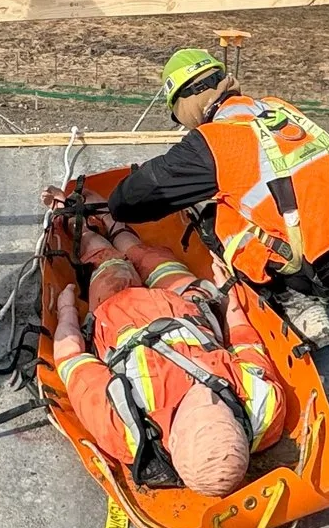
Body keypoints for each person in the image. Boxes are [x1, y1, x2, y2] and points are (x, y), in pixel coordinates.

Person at [104, 49, 329, 350]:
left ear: (186, 104)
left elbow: (129, 202)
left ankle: (291, 298)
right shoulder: (277, 108)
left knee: (213, 217)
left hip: (323, 269)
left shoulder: (213, 141)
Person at [47, 211, 291, 496]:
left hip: (119, 308)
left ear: (173, 442)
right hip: (187, 305)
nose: (207, 394)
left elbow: (72, 361)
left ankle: (85, 229)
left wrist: (66, 311)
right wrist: (229, 299)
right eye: (220, 405)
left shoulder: (122, 427)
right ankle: (116, 225)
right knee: (152, 259)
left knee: (108, 261)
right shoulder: (264, 405)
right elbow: (246, 342)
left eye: (197, 409)